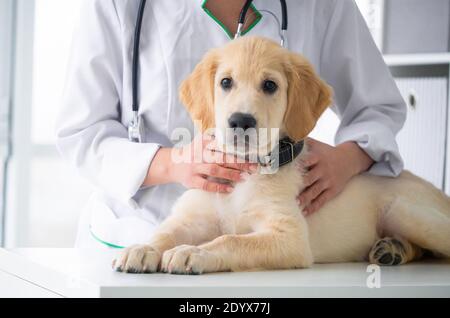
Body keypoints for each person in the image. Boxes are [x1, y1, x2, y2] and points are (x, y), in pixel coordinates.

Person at [56, 0, 406, 249]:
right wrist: (173, 163)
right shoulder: (117, 4)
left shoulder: (322, 5)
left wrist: (348, 158)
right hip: (135, 232)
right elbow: (82, 131)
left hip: (259, 246)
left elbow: (378, 107)